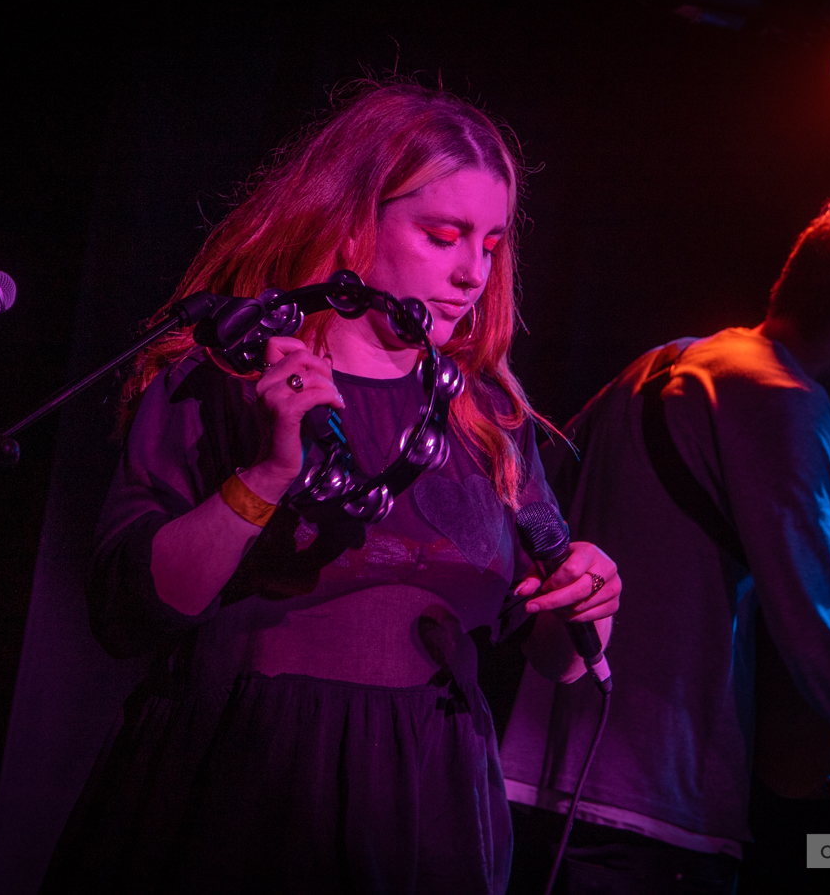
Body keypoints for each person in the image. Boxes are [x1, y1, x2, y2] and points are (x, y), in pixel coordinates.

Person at [39, 81, 620, 895]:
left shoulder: (487, 417)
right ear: (352, 226)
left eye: (489, 245)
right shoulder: (227, 378)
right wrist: (270, 474)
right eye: (443, 235)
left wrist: (590, 596)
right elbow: (129, 610)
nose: (471, 273)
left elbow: (552, 655)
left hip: (429, 805)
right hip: (246, 786)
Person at [501, 196, 830, 893]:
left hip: (519, 791)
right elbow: (828, 643)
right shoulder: (784, 398)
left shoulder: (655, 367)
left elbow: (522, 512)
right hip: (649, 819)